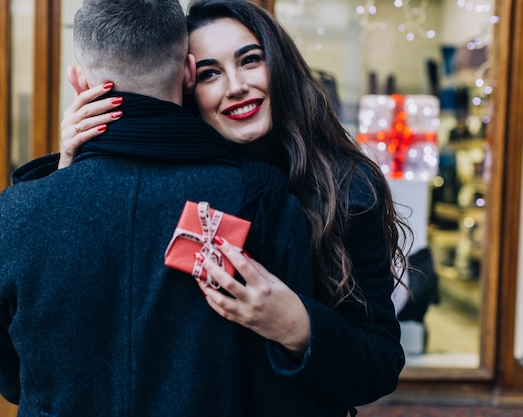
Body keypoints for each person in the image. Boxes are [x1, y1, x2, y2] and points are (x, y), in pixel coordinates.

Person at [57, 0, 412, 416]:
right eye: (210, 73)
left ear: (279, 65)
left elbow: (379, 365)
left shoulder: (346, 188)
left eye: (250, 60)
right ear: (186, 83)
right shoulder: (170, 186)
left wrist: (294, 324)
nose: (236, 86)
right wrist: (71, 165)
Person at [0, 1, 314, 416]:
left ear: (79, 83)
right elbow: (281, 385)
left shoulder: (18, 210)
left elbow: (5, 371)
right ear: (189, 73)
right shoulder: (263, 200)